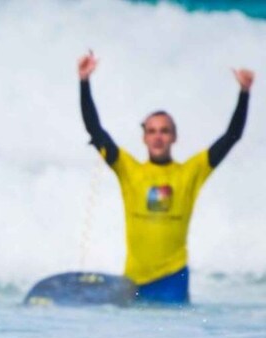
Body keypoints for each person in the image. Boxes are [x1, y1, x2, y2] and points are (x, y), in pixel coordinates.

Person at [78, 51, 254, 303]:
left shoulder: (191, 172)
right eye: (152, 131)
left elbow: (232, 137)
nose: (158, 136)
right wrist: (84, 82)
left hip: (173, 279)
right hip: (133, 281)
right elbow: (95, 129)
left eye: (164, 131)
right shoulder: (128, 169)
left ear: (174, 137)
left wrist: (244, 93)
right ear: (144, 137)